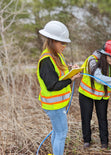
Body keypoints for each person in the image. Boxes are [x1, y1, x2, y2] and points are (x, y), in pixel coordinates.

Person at [37, 20, 81, 155]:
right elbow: (52, 85)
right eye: (62, 42)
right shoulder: (46, 61)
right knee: (61, 134)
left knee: (57, 131)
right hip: (53, 106)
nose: (65, 46)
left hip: (59, 104)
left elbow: (59, 73)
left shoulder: (57, 56)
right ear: (52, 41)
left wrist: (70, 70)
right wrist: (70, 79)